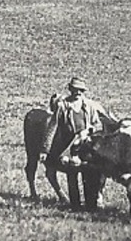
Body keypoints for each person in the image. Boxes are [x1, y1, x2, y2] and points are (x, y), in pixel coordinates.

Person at [41, 76, 110, 211]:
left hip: (86, 147)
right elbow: (52, 127)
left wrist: (89, 130)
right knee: (72, 176)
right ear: (70, 90)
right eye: (75, 90)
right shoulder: (63, 106)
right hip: (68, 147)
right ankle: (75, 205)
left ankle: (90, 206)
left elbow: (98, 125)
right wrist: (45, 149)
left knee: (88, 176)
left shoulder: (89, 106)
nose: (78, 93)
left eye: (81, 90)